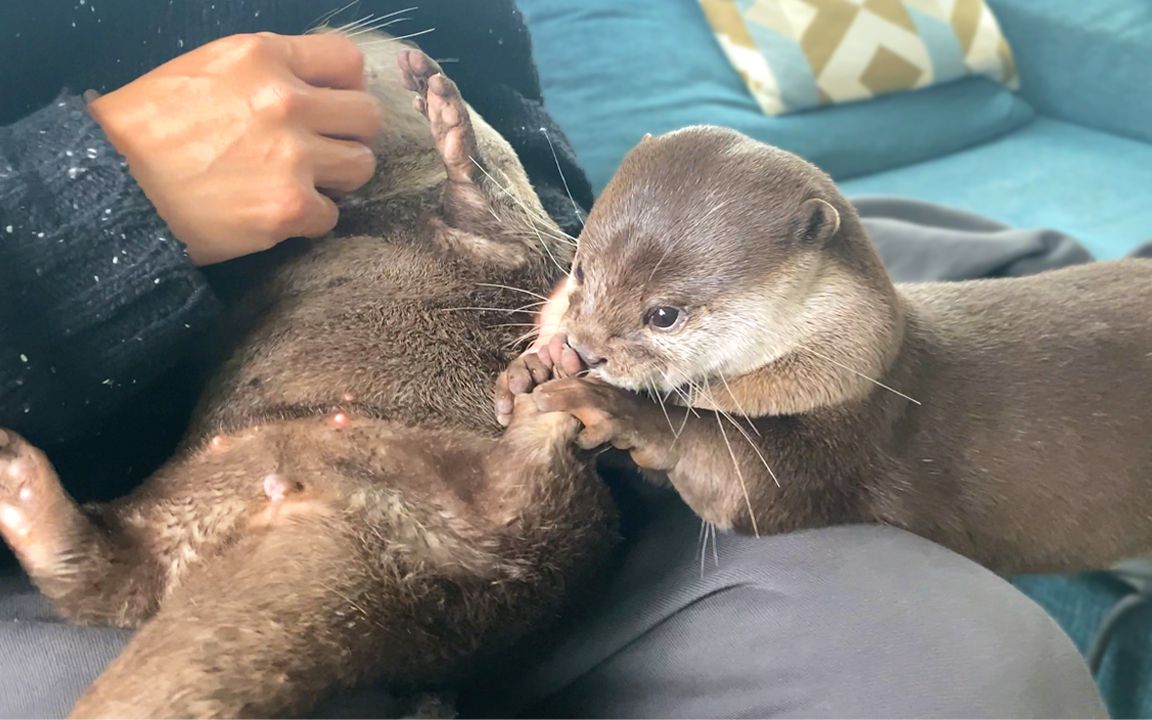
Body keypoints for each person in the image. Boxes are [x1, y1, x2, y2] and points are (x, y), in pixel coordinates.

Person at [0, 1, 1105, 717]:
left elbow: (526, 137)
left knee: (972, 665)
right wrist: (85, 208)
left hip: (524, 430)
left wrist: (555, 270)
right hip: (121, 493)